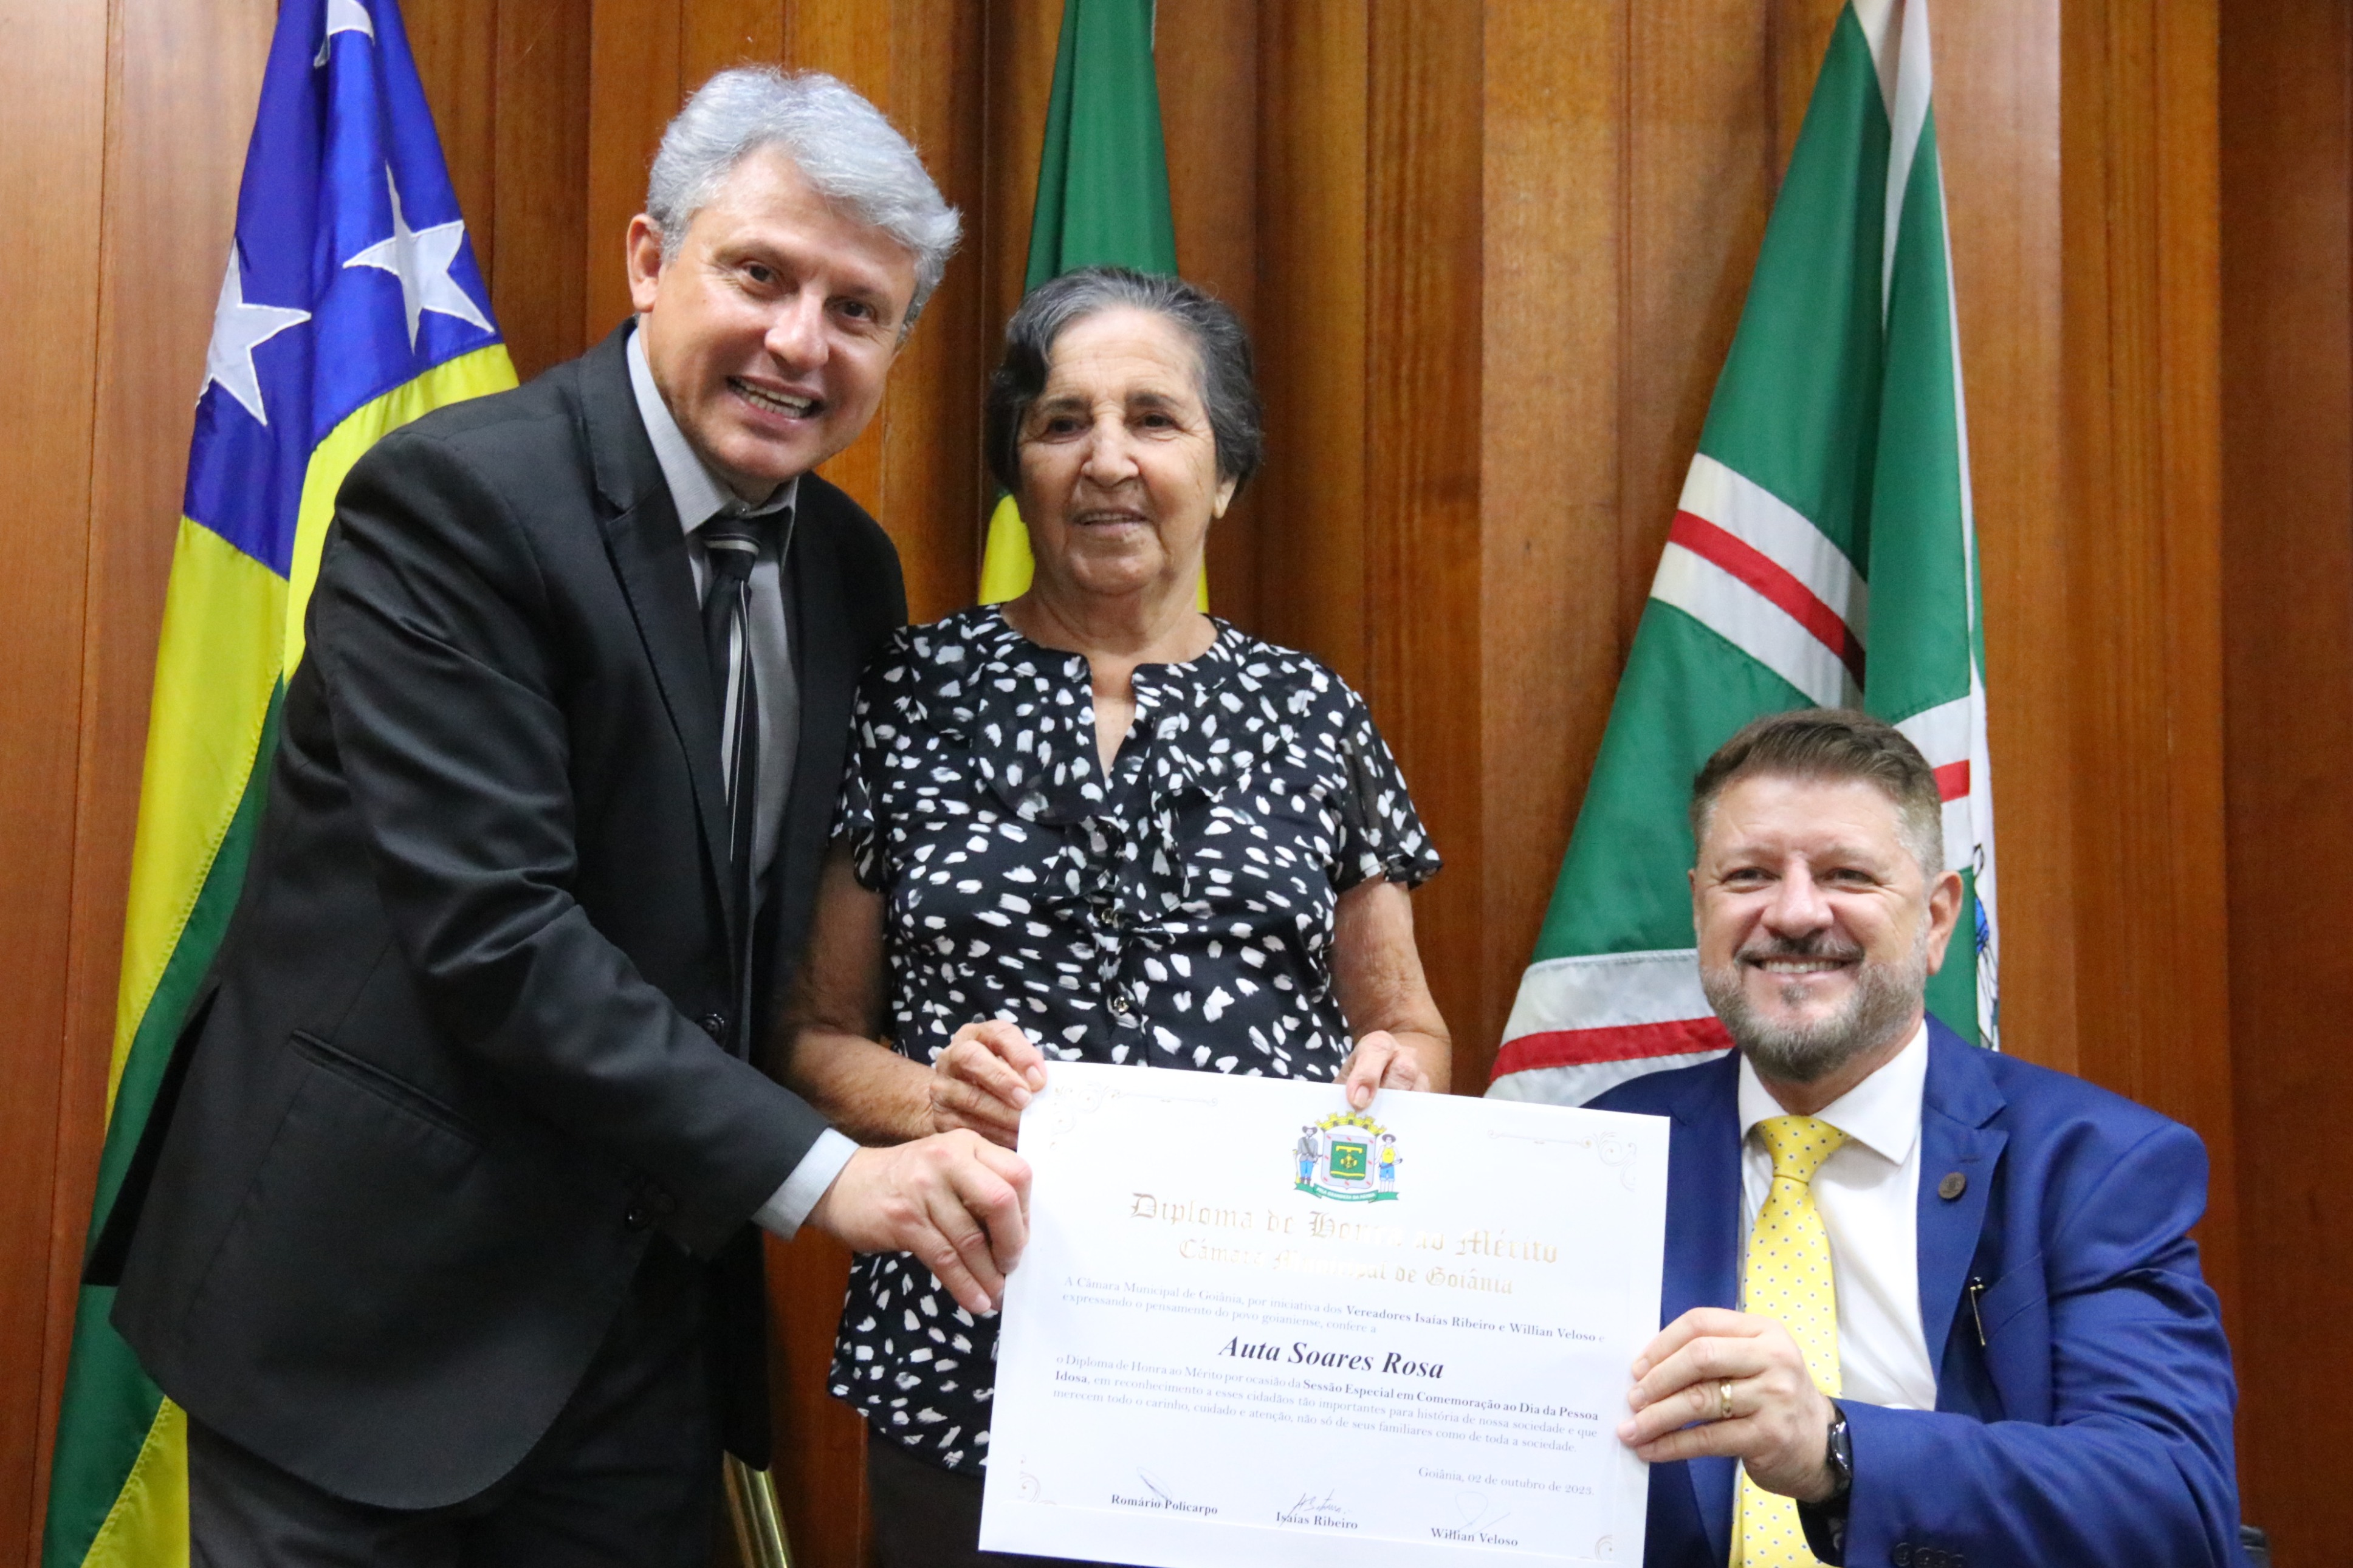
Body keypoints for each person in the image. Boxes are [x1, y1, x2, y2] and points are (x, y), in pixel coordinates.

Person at [91, 69, 1031, 1567]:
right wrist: (832, 1176)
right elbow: (497, 931)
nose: (802, 342)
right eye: (761, 275)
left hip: (640, 1333)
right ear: (650, 261)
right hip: (363, 1311)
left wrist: (942, 1089)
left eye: (858, 309)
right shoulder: (457, 501)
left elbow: (764, 942)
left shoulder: (849, 570)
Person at [778, 265, 1453, 1567]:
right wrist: (933, 1098)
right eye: (1061, 422)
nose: (1106, 461)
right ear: (1017, 471)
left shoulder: (1315, 714)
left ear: (1226, 471)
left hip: (1264, 1360)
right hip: (969, 1347)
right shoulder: (906, 693)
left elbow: (1409, 1028)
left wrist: (1399, 1081)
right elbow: (808, 1035)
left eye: (1154, 418)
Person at [1595, 708, 2241, 1567]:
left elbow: (2172, 1501)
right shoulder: (1595, 1155)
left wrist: (1838, 1451)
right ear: (1699, 906)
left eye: (1847, 874)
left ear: (1937, 920)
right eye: (1749, 875)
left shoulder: (2090, 1165)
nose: (1794, 912)